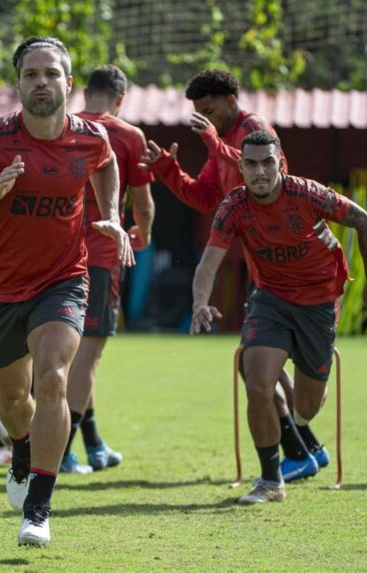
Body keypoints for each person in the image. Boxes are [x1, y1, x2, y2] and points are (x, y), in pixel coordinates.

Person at [0, 37, 134, 547]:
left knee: (52, 377)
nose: (41, 82)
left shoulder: (90, 137)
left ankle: (39, 509)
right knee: (10, 398)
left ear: (69, 82)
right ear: (19, 84)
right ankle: (21, 452)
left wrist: (111, 213)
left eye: (50, 74)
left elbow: (107, 162)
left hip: (63, 279)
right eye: (30, 75)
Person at [140, 69, 329, 481]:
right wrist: (168, 170)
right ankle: (306, 450)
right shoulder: (222, 139)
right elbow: (204, 196)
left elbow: (268, 177)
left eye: (209, 111)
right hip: (262, 268)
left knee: (256, 363)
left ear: (230, 100)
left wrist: (213, 143)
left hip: (287, 270)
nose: (205, 120)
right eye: (199, 113)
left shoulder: (255, 129)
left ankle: (302, 450)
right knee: (256, 364)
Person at [190, 130, 367, 504]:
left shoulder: (307, 194)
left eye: (267, 162)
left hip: (319, 302)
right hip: (270, 299)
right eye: (251, 164)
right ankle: (271, 481)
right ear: (241, 168)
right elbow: (208, 261)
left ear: (280, 163)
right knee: (257, 383)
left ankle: (302, 378)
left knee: (306, 408)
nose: (260, 171)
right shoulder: (233, 206)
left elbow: (365, 221)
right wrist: (200, 302)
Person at [60, 64, 155, 474]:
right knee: (89, 354)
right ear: (120, 99)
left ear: (84, 93)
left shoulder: (64, 127)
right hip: (99, 256)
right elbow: (143, 205)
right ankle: (60, 451)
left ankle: (94, 444)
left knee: (71, 352)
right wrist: (142, 235)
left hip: (58, 253)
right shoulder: (129, 136)